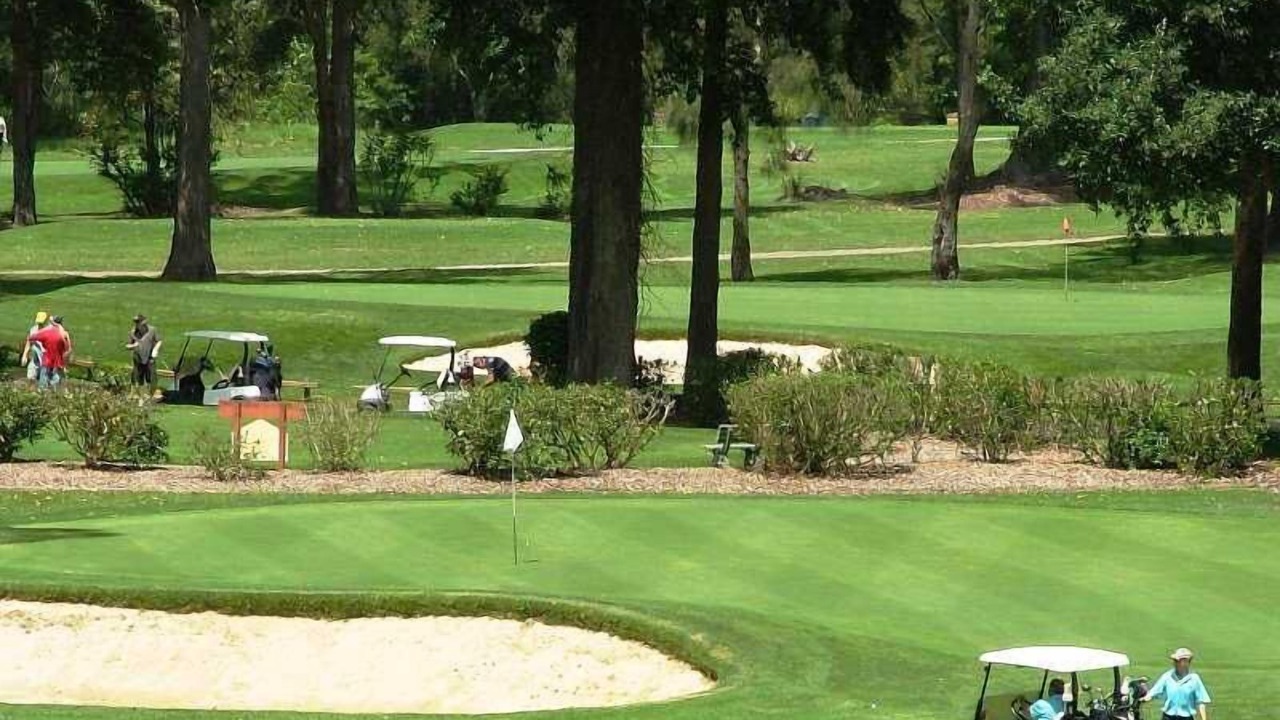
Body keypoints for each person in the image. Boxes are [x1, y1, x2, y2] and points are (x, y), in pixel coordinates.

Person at [1143, 648, 1210, 720]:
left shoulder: (1194, 679)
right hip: (1168, 717)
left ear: (1186, 662)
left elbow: (1201, 701)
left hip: (1186, 718)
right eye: (1175, 661)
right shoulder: (1167, 676)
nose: (1175, 663)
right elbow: (1154, 691)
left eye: (1177, 661)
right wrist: (1146, 697)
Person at [27, 315, 71, 390]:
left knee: (43, 386)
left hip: (47, 361)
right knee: (56, 385)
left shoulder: (47, 332)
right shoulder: (64, 334)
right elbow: (68, 350)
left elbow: (31, 337)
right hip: (58, 363)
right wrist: (65, 364)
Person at [125, 314, 162, 388]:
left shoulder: (152, 330)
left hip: (149, 357)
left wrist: (155, 349)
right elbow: (127, 346)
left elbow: (159, 341)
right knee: (138, 377)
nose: (137, 324)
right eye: (136, 322)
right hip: (138, 358)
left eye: (138, 322)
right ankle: (139, 393)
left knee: (150, 376)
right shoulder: (132, 333)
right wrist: (134, 346)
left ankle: (151, 392)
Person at [19, 311, 48, 386]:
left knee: (43, 379)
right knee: (30, 376)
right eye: (39, 322)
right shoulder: (33, 330)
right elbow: (29, 342)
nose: (40, 324)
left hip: (45, 359)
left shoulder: (49, 331)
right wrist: (25, 355)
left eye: (41, 322)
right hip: (35, 358)